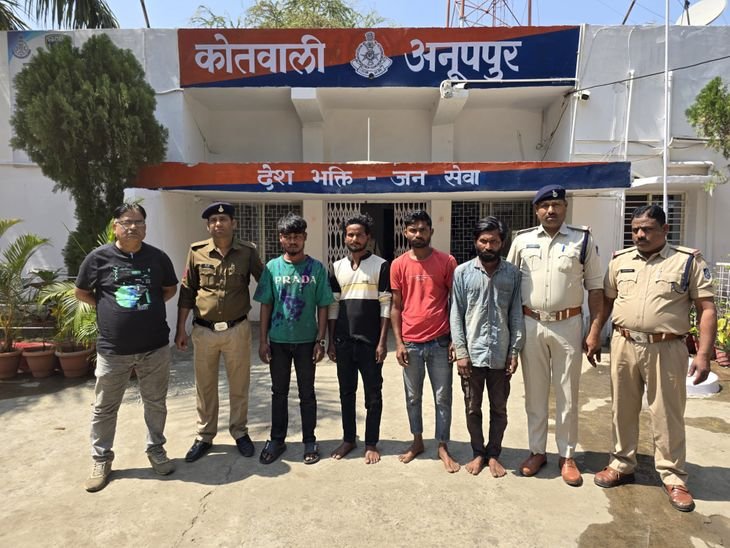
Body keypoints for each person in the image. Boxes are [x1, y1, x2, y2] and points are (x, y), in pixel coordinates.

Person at [594, 205, 716, 512]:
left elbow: (706, 308)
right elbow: (607, 302)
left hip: (667, 347)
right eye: (635, 229)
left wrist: (703, 354)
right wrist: (594, 333)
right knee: (622, 408)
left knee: (666, 413)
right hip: (623, 343)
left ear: (665, 230)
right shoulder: (620, 261)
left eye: (647, 229)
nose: (640, 234)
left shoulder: (687, 261)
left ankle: (673, 476)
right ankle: (621, 463)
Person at [75, 203, 178, 492]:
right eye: (126, 222)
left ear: (145, 226)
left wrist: (142, 307)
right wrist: (108, 307)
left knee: (155, 403)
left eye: (138, 222)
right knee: (105, 407)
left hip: (154, 347)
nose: (133, 227)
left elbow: (169, 289)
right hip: (113, 350)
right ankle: (101, 458)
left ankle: (156, 449)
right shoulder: (98, 258)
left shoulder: (158, 258)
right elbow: (81, 292)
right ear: (115, 226)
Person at [507, 185, 603, 487]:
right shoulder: (522, 241)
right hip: (531, 323)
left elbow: (595, 288)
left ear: (565, 208)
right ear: (536, 210)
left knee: (567, 394)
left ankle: (567, 455)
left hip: (568, 325)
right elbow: (509, 285)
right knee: (534, 393)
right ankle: (537, 451)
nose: (551, 210)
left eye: (557, 205)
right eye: (545, 206)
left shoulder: (582, 240)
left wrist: (594, 331)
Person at [176, 202, 263, 463]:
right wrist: (180, 329)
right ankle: (205, 435)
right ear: (208, 226)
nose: (218, 224)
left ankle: (240, 432)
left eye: (223, 219)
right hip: (204, 331)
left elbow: (265, 283)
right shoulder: (196, 252)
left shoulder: (247, 252)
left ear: (233, 223)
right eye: (213, 220)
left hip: (237, 330)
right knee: (205, 386)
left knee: (239, 384)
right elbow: (187, 291)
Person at [254, 213, 334, 465]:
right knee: (278, 392)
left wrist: (320, 340)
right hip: (278, 341)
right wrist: (263, 341)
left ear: (304, 238)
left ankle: (309, 440)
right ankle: (277, 439)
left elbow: (323, 305)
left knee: (307, 393)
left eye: (297, 236)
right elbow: (266, 304)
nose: (292, 241)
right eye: (287, 236)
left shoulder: (317, 269)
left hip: (306, 342)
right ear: (280, 238)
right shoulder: (272, 268)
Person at [450, 217, 525, 477]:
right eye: (483, 241)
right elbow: (456, 314)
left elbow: (516, 314)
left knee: (499, 408)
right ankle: (478, 453)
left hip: (500, 354)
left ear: (502, 243)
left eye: (493, 241)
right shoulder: (462, 273)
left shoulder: (513, 274)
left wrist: (514, 351)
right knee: (472, 407)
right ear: (476, 242)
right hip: (472, 354)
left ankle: (494, 454)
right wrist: (461, 352)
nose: (488, 246)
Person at [390, 210, 460, 473]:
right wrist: (398, 343)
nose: (418, 234)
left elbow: (456, 302)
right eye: (413, 230)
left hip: (440, 342)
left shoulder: (447, 261)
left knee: (443, 397)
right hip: (411, 343)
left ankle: (442, 445)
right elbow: (396, 306)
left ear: (431, 231)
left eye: (423, 229)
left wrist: (455, 339)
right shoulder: (398, 265)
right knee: (413, 397)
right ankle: (417, 441)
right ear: (405, 233)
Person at [327, 213, 391, 464]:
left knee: (373, 395)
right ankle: (348, 439)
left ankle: (371, 443)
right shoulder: (336, 267)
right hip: (344, 342)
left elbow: (386, 304)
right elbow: (333, 305)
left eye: (359, 234)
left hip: (370, 343)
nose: (354, 239)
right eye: (350, 234)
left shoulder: (381, 265)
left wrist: (382, 342)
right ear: (345, 237)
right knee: (346, 393)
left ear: (368, 237)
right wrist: (331, 341)